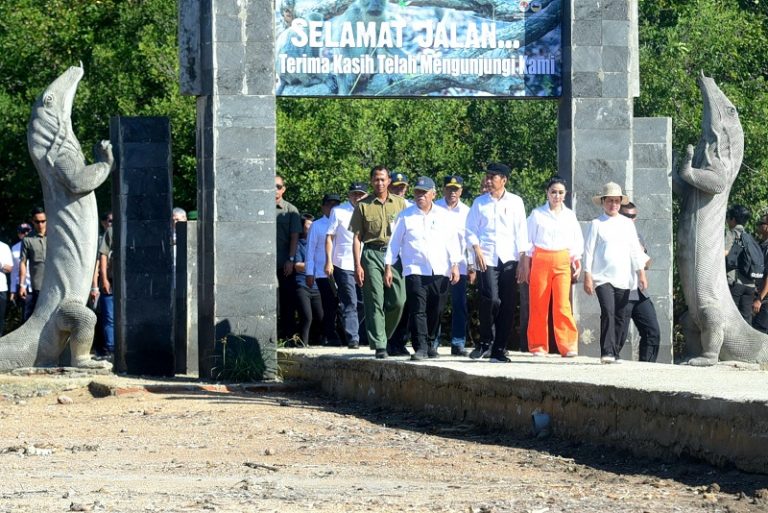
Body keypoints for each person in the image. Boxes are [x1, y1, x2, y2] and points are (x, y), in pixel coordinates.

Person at [385, 177, 461, 360]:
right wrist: (388, 266)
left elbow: (453, 241)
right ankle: (420, 347)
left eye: (424, 192)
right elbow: (394, 243)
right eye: (417, 192)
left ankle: (430, 343)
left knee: (436, 309)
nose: (420, 195)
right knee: (417, 309)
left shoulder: (444, 215)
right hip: (415, 269)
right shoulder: (405, 216)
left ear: (433, 194)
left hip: (440, 269)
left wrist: (455, 264)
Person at [465, 163, 530, 363]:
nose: (488, 180)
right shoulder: (479, 202)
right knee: (491, 300)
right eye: (487, 176)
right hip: (487, 258)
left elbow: (522, 232)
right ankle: (485, 341)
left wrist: (523, 261)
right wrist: (476, 249)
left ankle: (499, 349)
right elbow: (470, 229)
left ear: (504, 180)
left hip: (509, 258)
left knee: (508, 304)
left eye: (493, 177)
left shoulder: (516, 202)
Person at [583, 182, 649, 364]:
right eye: (609, 201)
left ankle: (615, 351)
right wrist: (587, 275)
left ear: (620, 202)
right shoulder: (596, 224)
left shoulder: (627, 224)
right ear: (603, 202)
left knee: (621, 315)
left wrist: (641, 274)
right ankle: (606, 351)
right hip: (602, 277)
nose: (613, 204)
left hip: (624, 277)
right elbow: (588, 251)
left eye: (616, 201)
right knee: (608, 311)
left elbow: (635, 250)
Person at [349, 165, 407, 359]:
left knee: (398, 301)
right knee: (374, 300)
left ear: (389, 181)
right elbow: (357, 238)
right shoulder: (363, 205)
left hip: (395, 255)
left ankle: (384, 335)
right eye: (376, 179)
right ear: (371, 181)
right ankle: (380, 344)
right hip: (372, 253)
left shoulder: (400, 204)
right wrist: (357, 265)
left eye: (383, 179)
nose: (379, 183)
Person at [525, 176, 583, 357]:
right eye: (553, 192)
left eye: (560, 192)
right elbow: (527, 241)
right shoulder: (537, 214)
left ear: (565, 195)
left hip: (562, 259)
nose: (557, 196)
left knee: (562, 304)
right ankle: (538, 345)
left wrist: (576, 259)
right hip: (541, 258)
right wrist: (525, 265)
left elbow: (576, 240)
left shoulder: (570, 216)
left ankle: (568, 345)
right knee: (538, 303)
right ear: (547, 193)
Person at [325, 182, 368, 349]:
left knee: (363, 302)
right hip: (343, 262)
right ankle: (353, 338)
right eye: (354, 194)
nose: (357, 197)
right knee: (349, 300)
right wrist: (329, 261)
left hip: (365, 262)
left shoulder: (370, 209)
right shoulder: (338, 211)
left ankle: (357, 332)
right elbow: (330, 237)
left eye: (360, 194)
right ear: (349, 195)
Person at [434, 175, 474, 356]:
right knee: (437, 305)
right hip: (438, 264)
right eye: (449, 188)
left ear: (461, 191)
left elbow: (470, 240)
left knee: (460, 304)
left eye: (456, 189)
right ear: (443, 189)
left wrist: (472, 265)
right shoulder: (434, 208)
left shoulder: (467, 211)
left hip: (461, 265)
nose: (452, 192)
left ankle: (458, 343)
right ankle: (433, 341)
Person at [617, 202, 661, 362]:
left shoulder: (638, 236)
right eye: (626, 216)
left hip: (639, 292)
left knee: (652, 332)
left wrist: (641, 252)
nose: (630, 219)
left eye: (633, 216)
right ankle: (609, 365)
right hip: (622, 291)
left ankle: (647, 367)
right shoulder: (612, 234)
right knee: (618, 335)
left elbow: (647, 264)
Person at [305, 193, 342, 346]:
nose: (332, 207)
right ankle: (330, 335)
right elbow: (310, 250)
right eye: (329, 204)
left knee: (345, 305)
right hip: (323, 272)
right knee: (329, 305)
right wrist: (309, 272)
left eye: (336, 204)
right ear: (323, 207)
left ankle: (344, 335)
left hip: (343, 270)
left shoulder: (344, 221)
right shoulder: (317, 225)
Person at [276, 174, 302, 340]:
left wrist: (291, 260)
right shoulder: (259, 208)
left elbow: (295, 237)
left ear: (283, 189)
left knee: (287, 301)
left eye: (278, 186)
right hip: (263, 264)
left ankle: (288, 338)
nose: (275, 189)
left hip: (284, 263)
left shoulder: (291, 210)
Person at [294, 213, 323, 345]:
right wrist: (314, 265)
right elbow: (297, 265)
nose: (311, 228)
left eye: (313, 225)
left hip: (318, 286)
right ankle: (302, 344)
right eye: (308, 225)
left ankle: (317, 343)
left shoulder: (319, 244)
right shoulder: (298, 244)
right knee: (307, 317)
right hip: (302, 285)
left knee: (320, 317)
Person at [724, 204, 756, 323]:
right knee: (746, 321)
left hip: (735, 283)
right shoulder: (748, 236)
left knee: (731, 319)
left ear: (733, 219)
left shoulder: (732, 233)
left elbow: (724, 252)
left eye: (728, 217)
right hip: (750, 285)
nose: (727, 221)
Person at [19, 207, 47, 320]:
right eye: (37, 221)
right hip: (38, 285)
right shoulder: (27, 240)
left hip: (56, 283)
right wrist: (22, 285)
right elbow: (23, 262)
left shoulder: (55, 236)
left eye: (43, 221)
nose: (40, 224)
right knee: (39, 316)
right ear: (32, 221)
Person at [98, 225, 115, 357]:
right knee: (109, 317)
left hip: (132, 282)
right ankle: (111, 349)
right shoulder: (111, 231)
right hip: (112, 280)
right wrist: (104, 279)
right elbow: (103, 254)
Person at [752, 212, 768, 333]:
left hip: (764, 300)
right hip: (758, 296)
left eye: (761, 223)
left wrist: (760, 299)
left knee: (760, 332)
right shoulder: (761, 245)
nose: (758, 225)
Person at [10, 223, 32, 310]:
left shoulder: (40, 244)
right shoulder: (14, 248)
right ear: (19, 234)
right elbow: (14, 271)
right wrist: (13, 290)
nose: (26, 233)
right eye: (22, 232)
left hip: (38, 285)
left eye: (28, 231)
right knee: (25, 313)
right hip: (22, 286)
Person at [0, 239, 12, 335]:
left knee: (0, 317)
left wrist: (1, 265)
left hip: (1, 289)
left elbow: (9, 268)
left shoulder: (4, 247)